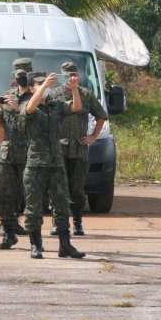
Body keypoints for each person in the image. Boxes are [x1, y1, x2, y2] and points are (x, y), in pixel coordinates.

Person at [20, 71, 85, 259]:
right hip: (36, 164)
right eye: (40, 84)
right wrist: (45, 86)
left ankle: (65, 246)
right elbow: (30, 108)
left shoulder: (55, 106)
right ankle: (36, 246)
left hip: (56, 163)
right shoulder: (27, 104)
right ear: (32, 88)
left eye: (46, 84)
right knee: (33, 207)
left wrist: (74, 90)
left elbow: (76, 107)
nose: (45, 87)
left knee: (62, 204)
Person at [49, 62, 108, 236]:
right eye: (67, 76)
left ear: (78, 76)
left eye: (73, 76)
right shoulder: (54, 95)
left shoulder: (86, 95)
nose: (70, 79)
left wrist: (93, 136)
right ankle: (57, 222)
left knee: (76, 189)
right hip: (59, 150)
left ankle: (77, 222)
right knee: (58, 188)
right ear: (62, 76)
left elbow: (101, 116)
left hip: (79, 150)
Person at [0, 58, 33, 249]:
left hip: (30, 153)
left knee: (30, 196)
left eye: (24, 75)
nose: (21, 78)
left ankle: (35, 237)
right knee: (3, 194)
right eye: (18, 76)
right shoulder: (8, 95)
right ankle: (8, 233)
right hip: (8, 153)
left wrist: (19, 107)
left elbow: (38, 122)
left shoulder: (38, 97)